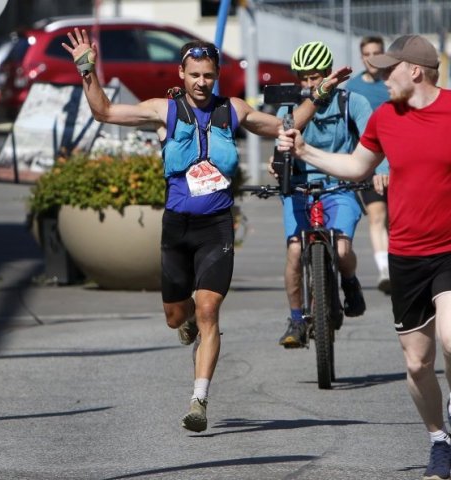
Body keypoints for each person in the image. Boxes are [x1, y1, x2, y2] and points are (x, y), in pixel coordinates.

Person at [62, 28, 350, 432]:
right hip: (177, 228)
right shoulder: (163, 110)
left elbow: (285, 126)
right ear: (182, 73)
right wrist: (86, 70)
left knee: (209, 309)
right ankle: (187, 321)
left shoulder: (233, 110)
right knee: (176, 316)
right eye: (195, 74)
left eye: (209, 76)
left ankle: (199, 399)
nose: (201, 83)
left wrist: (318, 97)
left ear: (217, 76)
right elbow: (105, 112)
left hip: (216, 226)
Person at [278, 34, 451, 480]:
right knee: (416, 363)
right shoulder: (385, 118)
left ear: (415, 70)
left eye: (388, 67)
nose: (378, 73)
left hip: (449, 248)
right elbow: (358, 166)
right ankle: (439, 440)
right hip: (407, 253)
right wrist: (306, 151)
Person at [270, 41, 373, 349]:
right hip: (300, 186)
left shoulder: (352, 102)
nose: (309, 84)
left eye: (315, 77)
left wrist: (382, 171)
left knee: (342, 251)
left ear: (329, 74)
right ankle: (296, 319)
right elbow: (279, 142)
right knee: (294, 251)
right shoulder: (289, 108)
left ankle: (350, 284)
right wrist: (274, 164)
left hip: (340, 185)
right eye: (303, 77)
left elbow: (374, 141)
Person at [346, 36, 391, 294]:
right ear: (362, 57)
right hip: (368, 163)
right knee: (377, 215)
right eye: (367, 53)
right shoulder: (352, 88)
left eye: (377, 52)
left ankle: (398, 266)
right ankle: (384, 270)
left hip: (398, 162)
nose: (372, 58)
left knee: (396, 222)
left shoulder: (394, 84)